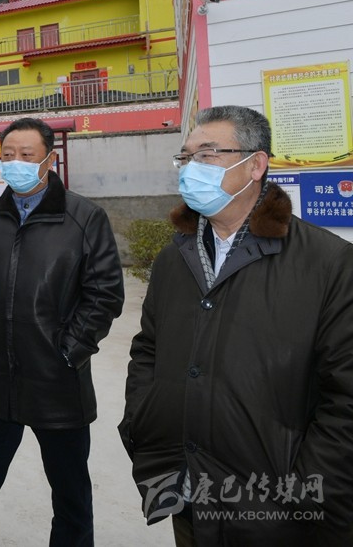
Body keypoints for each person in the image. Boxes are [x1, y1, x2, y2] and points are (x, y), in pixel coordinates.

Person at [119, 105, 353, 544]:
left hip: (280, 512)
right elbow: (148, 350)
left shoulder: (328, 263)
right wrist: (142, 423)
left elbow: (346, 399)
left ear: (256, 165)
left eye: (208, 155)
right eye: (186, 157)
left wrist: (305, 492)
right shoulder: (174, 258)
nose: (191, 169)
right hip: (186, 493)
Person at [0, 117, 124, 546]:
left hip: (57, 384)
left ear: (49, 159)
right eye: (8, 155)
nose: (15, 163)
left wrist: (68, 352)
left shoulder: (84, 217)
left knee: (70, 496)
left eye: (26, 155)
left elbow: (104, 294)